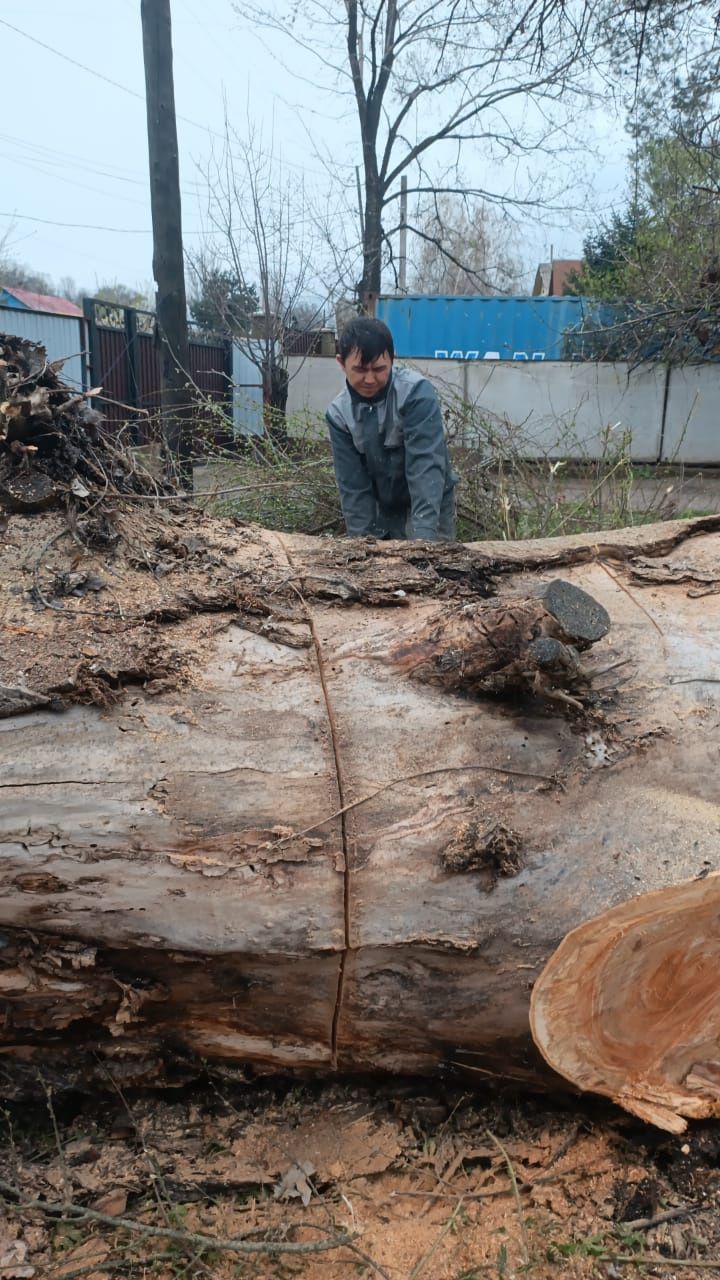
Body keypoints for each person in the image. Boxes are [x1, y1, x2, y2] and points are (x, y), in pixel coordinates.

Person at [326, 316, 456, 541]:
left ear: (392, 360)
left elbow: (425, 469)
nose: (369, 379)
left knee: (433, 562)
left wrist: (424, 542)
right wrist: (362, 547)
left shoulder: (415, 393)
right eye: (359, 369)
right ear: (341, 362)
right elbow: (354, 489)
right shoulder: (339, 415)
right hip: (382, 507)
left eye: (378, 369)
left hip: (430, 502)